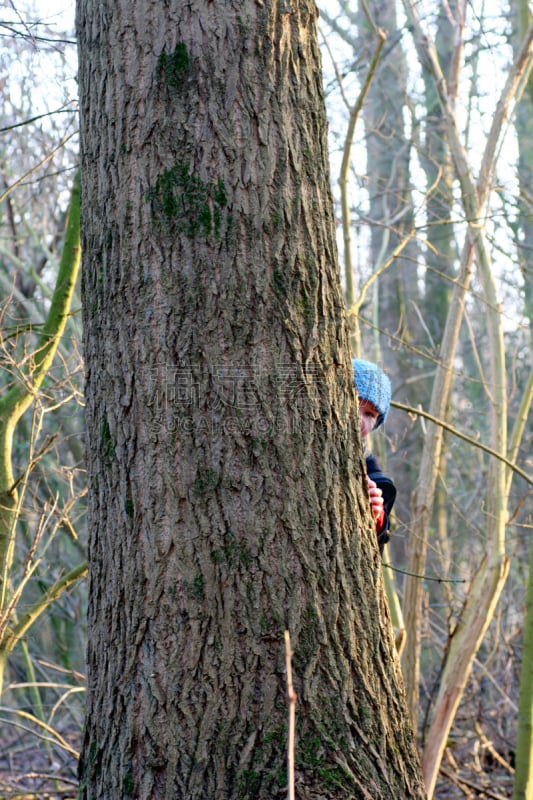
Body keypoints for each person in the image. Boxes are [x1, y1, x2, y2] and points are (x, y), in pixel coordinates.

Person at [352, 358, 397, 554]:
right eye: (353, 403)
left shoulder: (371, 469)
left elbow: (375, 548)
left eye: (370, 414)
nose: (360, 419)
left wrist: (377, 517)